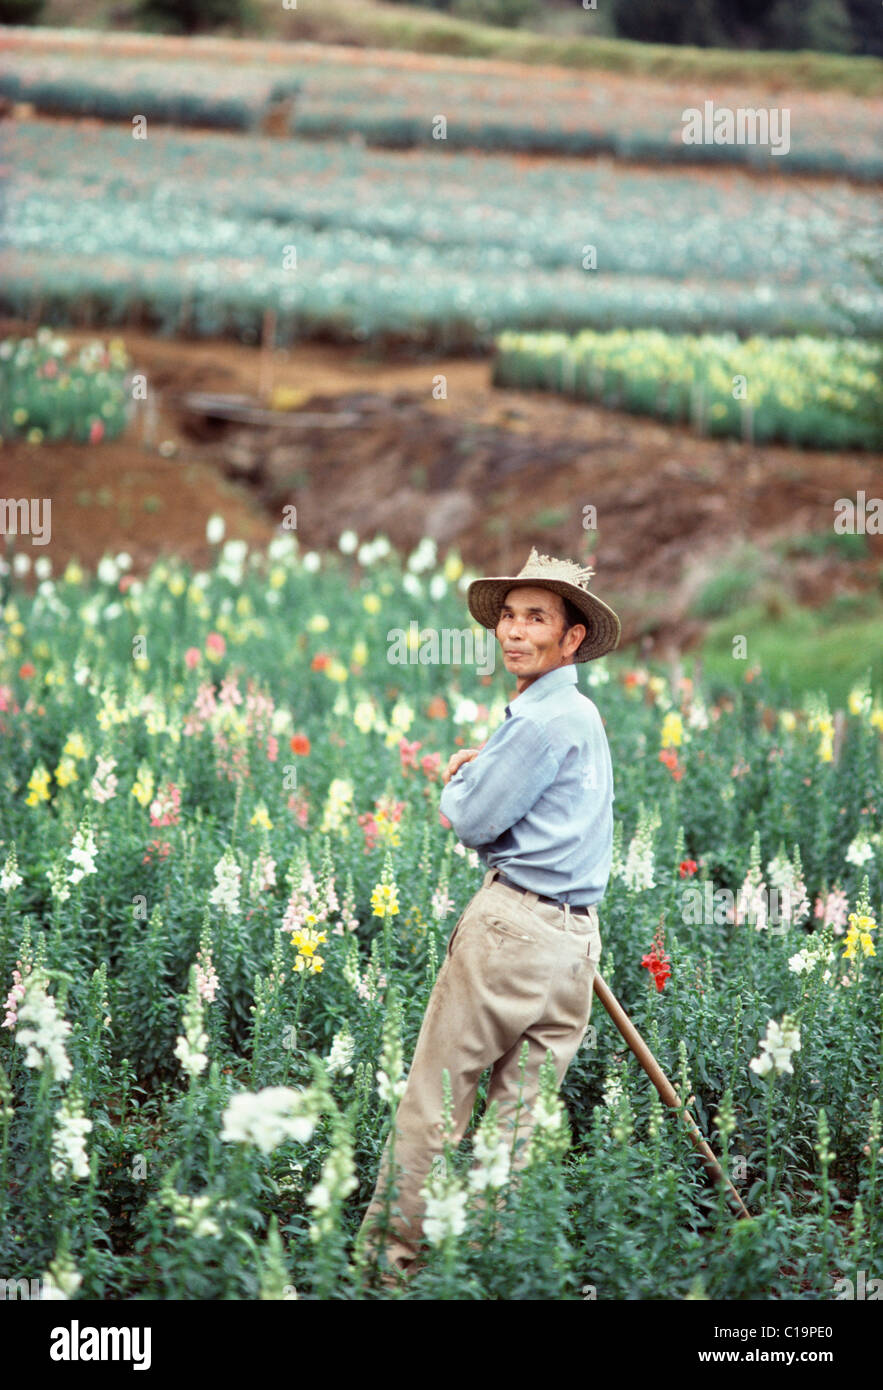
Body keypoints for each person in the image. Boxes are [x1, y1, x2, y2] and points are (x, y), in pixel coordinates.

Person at [357, 546, 621, 1285]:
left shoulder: (535, 723)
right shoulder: (579, 714)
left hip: (510, 932)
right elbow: (559, 813)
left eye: (535, 618)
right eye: (507, 616)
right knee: (517, 1130)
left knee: (434, 1109)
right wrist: (492, 765)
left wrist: (467, 776)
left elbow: (471, 820)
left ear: (571, 639)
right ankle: (489, 1273)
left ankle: (389, 1273)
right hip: (573, 946)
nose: (513, 631)